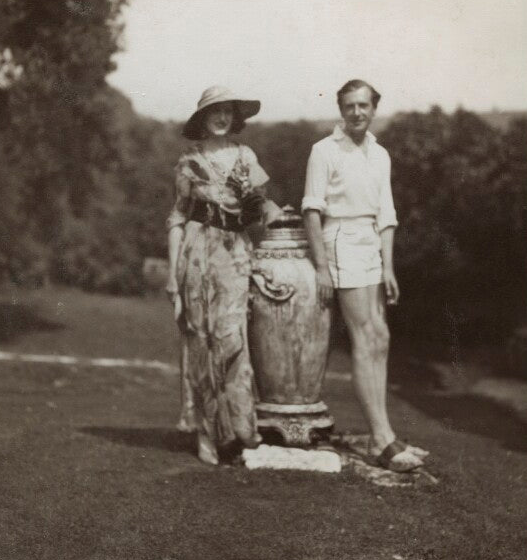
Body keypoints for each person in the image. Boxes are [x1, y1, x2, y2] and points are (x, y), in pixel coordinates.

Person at [302, 79, 428, 472]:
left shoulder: (380, 154)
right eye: (350, 106)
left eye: (364, 106)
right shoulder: (324, 151)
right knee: (364, 337)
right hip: (340, 241)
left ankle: (384, 433)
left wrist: (388, 266)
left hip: (371, 244)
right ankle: (380, 438)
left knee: (381, 336)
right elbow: (311, 210)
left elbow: (386, 215)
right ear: (341, 109)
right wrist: (322, 266)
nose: (357, 112)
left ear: (374, 109)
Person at [165, 85, 275, 465]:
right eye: (215, 111)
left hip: (234, 253)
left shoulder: (246, 157)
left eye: (228, 111)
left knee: (232, 339)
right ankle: (208, 434)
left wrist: (267, 217)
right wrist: (171, 275)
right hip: (197, 254)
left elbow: (260, 208)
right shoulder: (189, 162)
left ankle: (242, 430)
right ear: (202, 117)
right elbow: (178, 217)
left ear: (236, 117)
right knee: (200, 341)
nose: (222, 117)